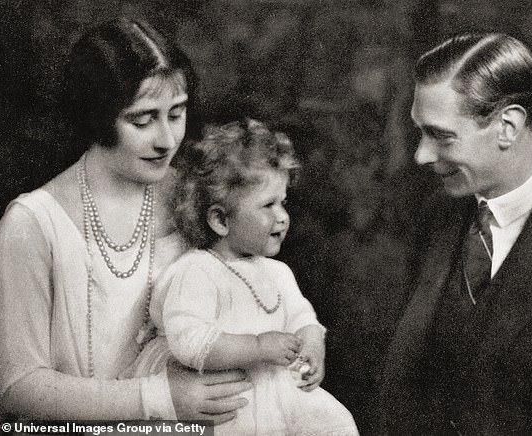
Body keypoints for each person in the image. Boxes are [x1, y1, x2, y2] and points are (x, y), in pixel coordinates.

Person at [0, 17, 251, 421]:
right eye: (143, 119)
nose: (166, 140)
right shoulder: (32, 224)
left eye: (177, 113)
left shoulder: (195, 196)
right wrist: (161, 399)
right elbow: (17, 389)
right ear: (98, 117)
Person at [380, 33, 532, 435]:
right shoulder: (435, 218)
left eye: (441, 135)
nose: (421, 155)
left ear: (508, 127)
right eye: (420, 132)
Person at [127, 119, 359, 435]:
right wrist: (258, 346)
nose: (282, 217)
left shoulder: (278, 273)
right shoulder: (197, 271)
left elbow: (302, 317)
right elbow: (189, 341)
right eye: (268, 205)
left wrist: (312, 345)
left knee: (336, 423)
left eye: (283, 203)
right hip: (231, 404)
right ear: (221, 220)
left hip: (278, 394)